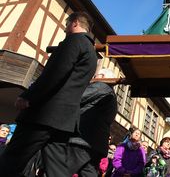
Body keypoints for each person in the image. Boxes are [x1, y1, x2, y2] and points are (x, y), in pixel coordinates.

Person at [0, 11, 97, 177]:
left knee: (13, 159)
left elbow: (53, 74)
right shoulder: (92, 54)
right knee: (56, 169)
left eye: (67, 25)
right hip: (65, 120)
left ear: (74, 23)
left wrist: (28, 96)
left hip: (44, 115)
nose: (65, 29)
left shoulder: (73, 41)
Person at [68, 68, 118, 176]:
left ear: (103, 77)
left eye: (95, 76)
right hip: (96, 144)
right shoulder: (112, 97)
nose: (93, 79)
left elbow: (78, 97)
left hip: (83, 139)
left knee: (62, 170)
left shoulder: (102, 86)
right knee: (88, 171)